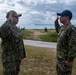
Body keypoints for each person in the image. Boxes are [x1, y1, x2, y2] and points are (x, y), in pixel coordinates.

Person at [0, 10, 26, 75]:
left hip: (17, 57)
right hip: (9, 59)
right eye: (16, 17)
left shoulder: (15, 28)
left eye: (18, 17)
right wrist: (9, 20)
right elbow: (2, 30)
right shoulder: (6, 27)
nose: (18, 19)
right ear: (11, 17)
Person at [55, 10, 76, 75]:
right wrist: (56, 22)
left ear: (67, 17)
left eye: (61, 16)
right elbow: (58, 29)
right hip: (60, 59)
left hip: (65, 61)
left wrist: (69, 60)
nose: (60, 17)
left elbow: (73, 46)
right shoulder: (63, 28)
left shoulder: (71, 29)